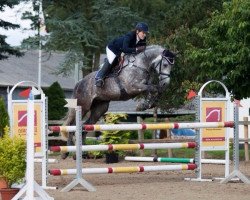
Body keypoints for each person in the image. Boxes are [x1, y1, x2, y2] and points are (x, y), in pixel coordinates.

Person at [95, 22, 149, 87]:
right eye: (143, 33)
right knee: (112, 60)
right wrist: (136, 49)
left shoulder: (143, 39)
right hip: (113, 48)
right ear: (137, 31)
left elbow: (143, 49)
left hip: (122, 51)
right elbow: (125, 49)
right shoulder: (130, 36)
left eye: (145, 33)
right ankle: (99, 77)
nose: (144, 35)